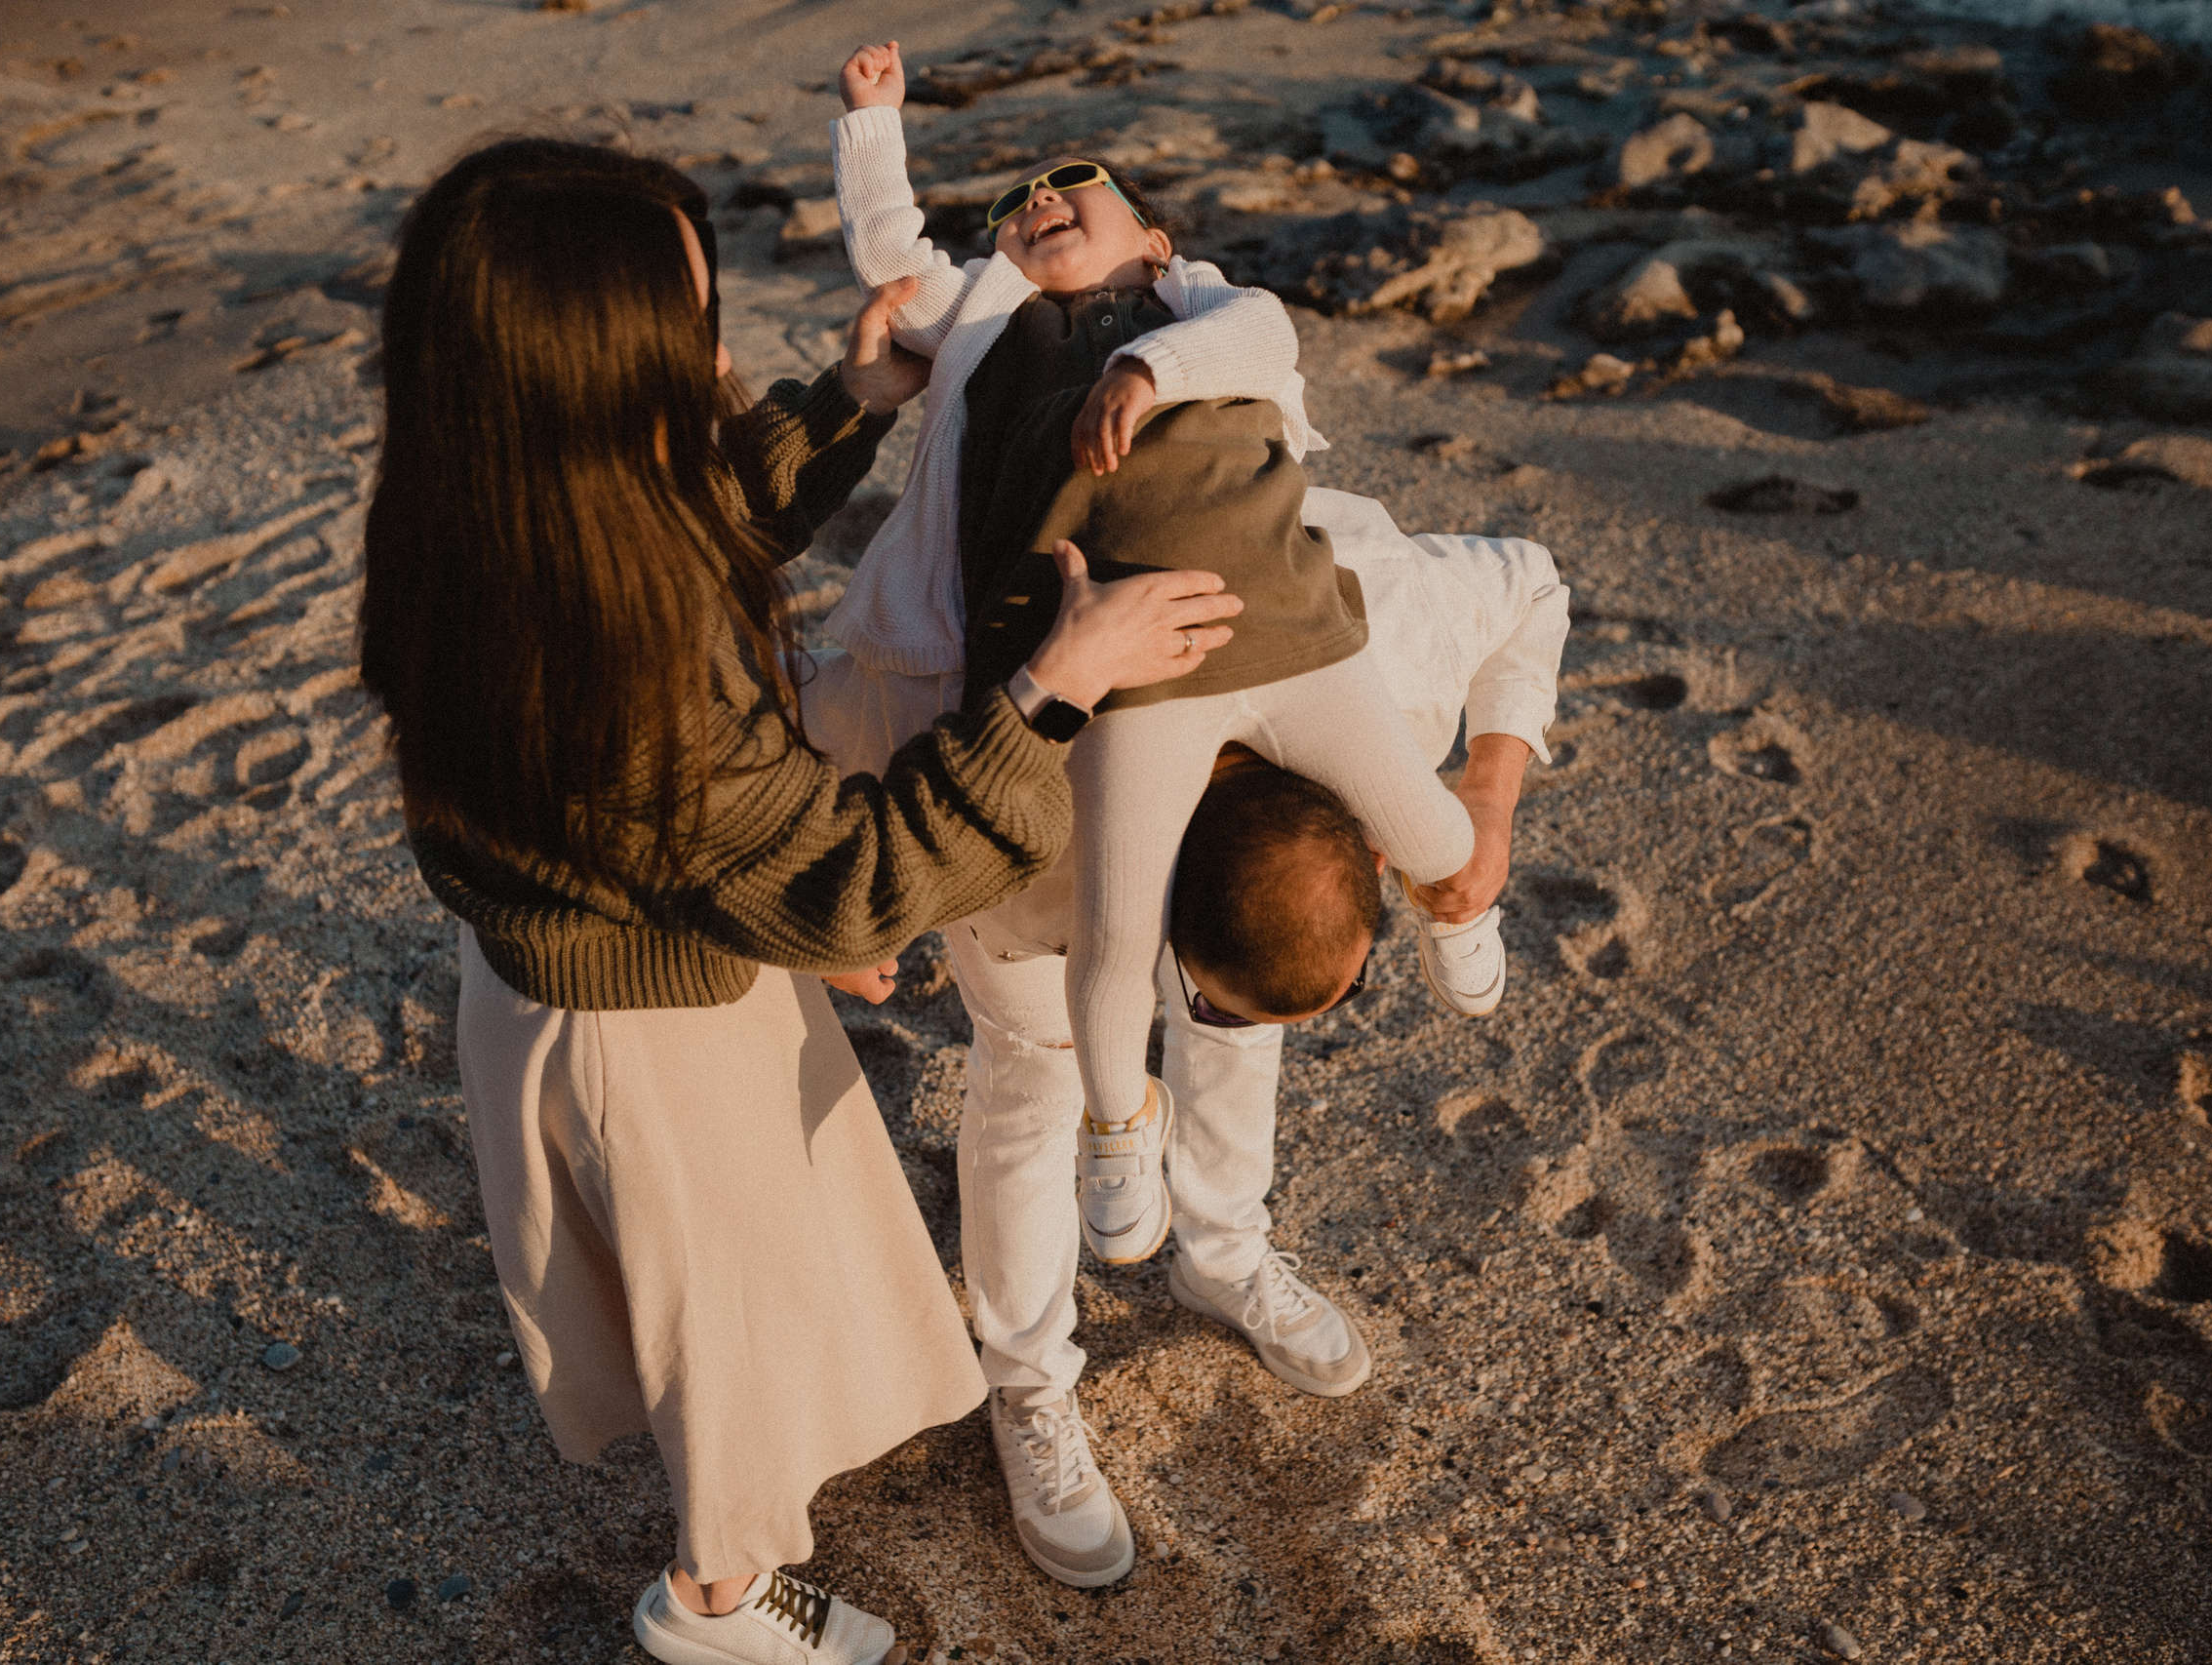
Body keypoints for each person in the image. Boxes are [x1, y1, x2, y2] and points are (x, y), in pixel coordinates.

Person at [357, 139, 1243, 1665]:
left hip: (559, 960)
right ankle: (715, 1595)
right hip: (645, 1039)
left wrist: (847, 405)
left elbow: (682, 521)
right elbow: (855, 887)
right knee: (737, 1326)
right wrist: (1052, 689)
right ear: (587, 376)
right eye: (689, 337)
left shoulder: (475, 509)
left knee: (707, 1291)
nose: (717, 356)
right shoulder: (628, 658)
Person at [796, 490, 1567, 1590]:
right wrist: (825, 927)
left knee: (1243, 1024)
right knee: (1031, 1091)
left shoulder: (1389, 641)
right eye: (1193, 991)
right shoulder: (1012, 825)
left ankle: (1226, 1253)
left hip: (1238, 567)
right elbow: (808, 723)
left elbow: (1531, 580)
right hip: (1035, 758)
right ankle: (1025, 1379)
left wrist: (1485, 799)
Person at [822, 41, 1506, 1250]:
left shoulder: (1196, 304)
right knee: (1115, 931)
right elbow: (892, 262)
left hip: (1287, 627)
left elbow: (1271, 337)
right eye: (1012, 211)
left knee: (1435, 833)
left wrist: (1147, 366)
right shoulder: (987, 321)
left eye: (1070, 182)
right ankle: (1115, 1130)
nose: (1035, 203)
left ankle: (1458, 921)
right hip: (1127, 668)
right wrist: (873, 123)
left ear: (1150, 238)